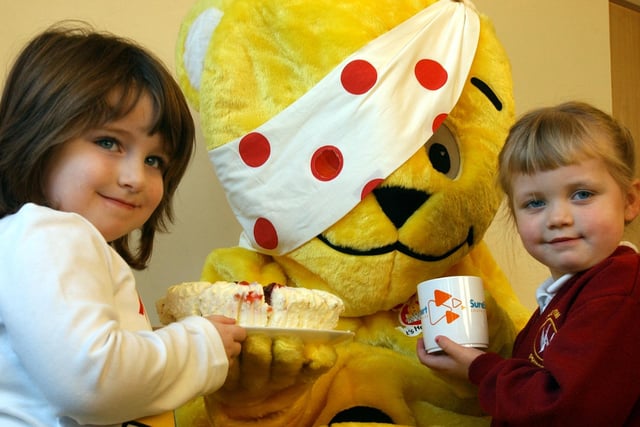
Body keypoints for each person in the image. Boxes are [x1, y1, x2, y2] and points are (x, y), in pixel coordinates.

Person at [0, 23, 246, 426]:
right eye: (109, 143)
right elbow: (92, 381)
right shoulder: (50, 235)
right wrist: (201, 344)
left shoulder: (55, 242)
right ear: (38, 136)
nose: (135, 177)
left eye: (155, 161)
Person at [417, 101, 640, 426]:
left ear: (629, 201)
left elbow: (563, 410)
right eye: (535, 202)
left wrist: (480, 368)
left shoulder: (619, 291)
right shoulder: (568, 296)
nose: (559, 218)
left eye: (582, 194)